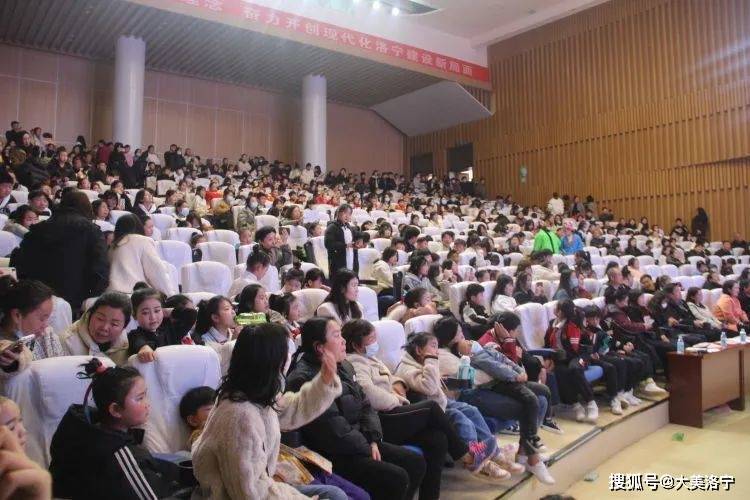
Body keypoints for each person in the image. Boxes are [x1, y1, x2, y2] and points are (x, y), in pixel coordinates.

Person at [286, 317, 426, 500]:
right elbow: (334, 432)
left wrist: (373, 439)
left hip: (361, 440)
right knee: (396, 478)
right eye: (337, 335)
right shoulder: (304, 379)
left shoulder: (344, 365)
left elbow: (366, 405)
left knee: (415, 462)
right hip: (336, 454)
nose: (343, 340)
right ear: (319, 347)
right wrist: (367, 447)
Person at [343, 319, 490, 492]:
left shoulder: (370, 358)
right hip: (381, 419)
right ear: (356, 345)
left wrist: (398, 383)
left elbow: (389, 376)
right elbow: (368, 394)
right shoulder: (355, 362)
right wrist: (396, 399)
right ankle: (465, 453)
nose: (376, 343)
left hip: (392, 412)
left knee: (438, 439)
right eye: (371, 339)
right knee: (431, 408)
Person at [49, 358, 189, 499]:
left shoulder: (85, 430)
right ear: (115, 410)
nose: (147, 403)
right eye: (140, 398)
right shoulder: (118, 455)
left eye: (145, 395)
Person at [11, 189, 109, 312]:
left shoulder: (39, 228)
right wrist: (88, 298)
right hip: (74, 300)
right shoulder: (92, 231)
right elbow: (100, 270)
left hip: (35, 298)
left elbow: (22, 263)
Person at [544, 300, 598, 423]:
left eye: (557, 307)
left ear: (561, 312)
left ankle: (591, 403)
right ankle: (576, 405)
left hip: (579, 355)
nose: (554, 308)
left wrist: (555, 359)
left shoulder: (572, 325)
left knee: (574, 368)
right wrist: (548, 359)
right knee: (560, 372)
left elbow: (574, 350)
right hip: (562, 358)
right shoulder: (552, 324)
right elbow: (547, 344)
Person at [0, 277, 62, 377]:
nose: (46, 325)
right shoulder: (5, 349)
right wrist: (13, 363)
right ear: (17, 315)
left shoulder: (48, 336)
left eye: (48, 318)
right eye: (42, 319)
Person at [107, 214, 177, 296]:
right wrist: (169, 295)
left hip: (111, 294)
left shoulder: (112, 247)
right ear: (139, 226)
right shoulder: (143, 241)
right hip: (134, 295)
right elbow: (157, 271)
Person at [58, 291, 132, 366]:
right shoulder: (67, 342)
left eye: (114, 324)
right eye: (100, 319)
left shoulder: (127, 343)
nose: (104, 328)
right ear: (89, 315)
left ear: (124, 327)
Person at [127, 288, 191, 363]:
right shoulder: (134, 335)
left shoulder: (169, 327)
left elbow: (191, 314)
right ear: (134, 315)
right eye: (145, 313)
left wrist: (166, 312)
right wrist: (144, 347)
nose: (153, 317)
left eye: (157, 311)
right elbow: (138, 342)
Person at [325, 204, 359, 280]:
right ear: (338, 213)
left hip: (351, 256)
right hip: (338, 260)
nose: (346, 216)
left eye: (349, 214)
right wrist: (345, 245)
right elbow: (328, 244)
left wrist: (358, 242)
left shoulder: (350, 227)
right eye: (344, 213)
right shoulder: (332, 227)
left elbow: (357, 237)